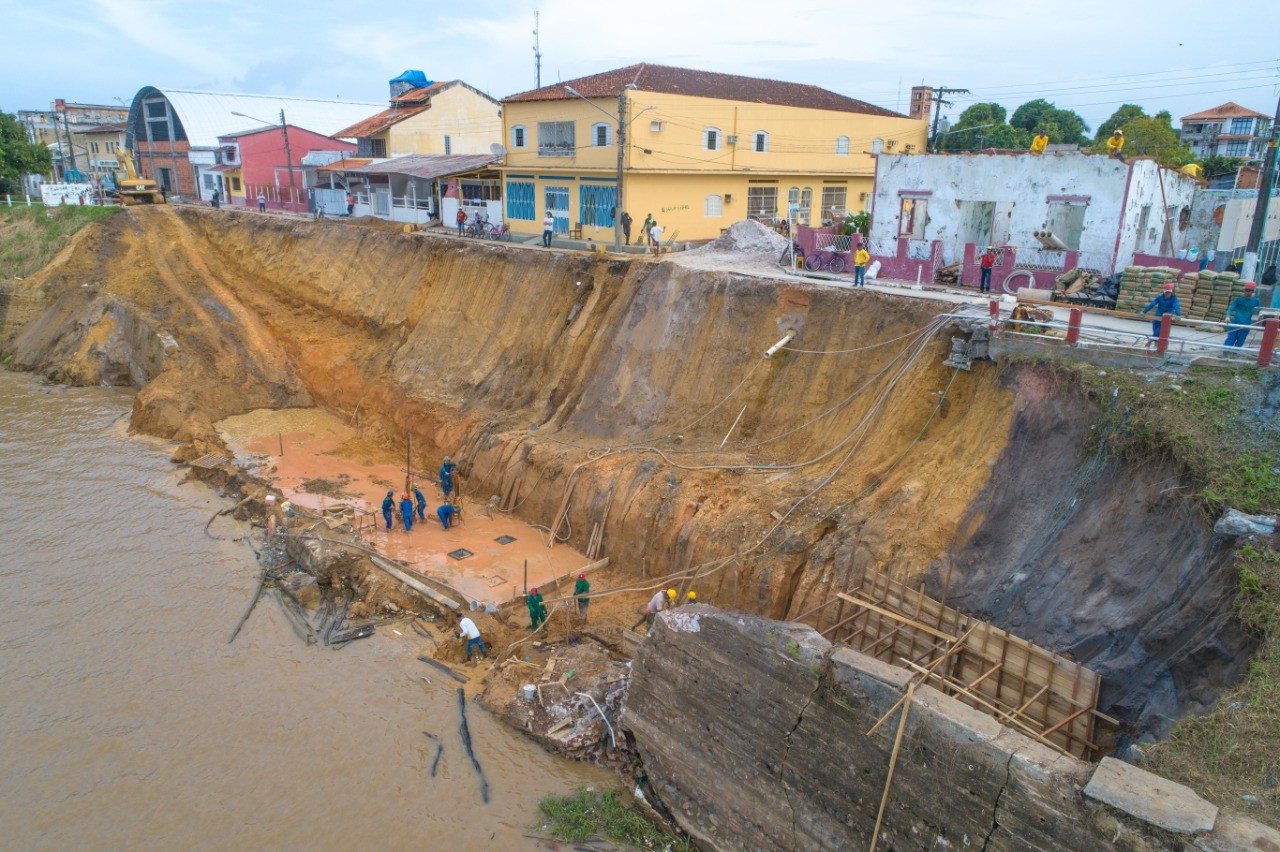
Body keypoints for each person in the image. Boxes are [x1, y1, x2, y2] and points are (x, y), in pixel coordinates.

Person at [1224, 281, 1261, 348]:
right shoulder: (1239, 299)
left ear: (1253, 292)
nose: (1246, 292)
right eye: (1246, 290)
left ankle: (1235, 353)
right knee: (1230, 339)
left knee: (1240, 340)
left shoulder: (1256, 301)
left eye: (1249, 291)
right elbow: (1231, 308)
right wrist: (1227, 316)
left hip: (1246, 324)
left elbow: (1259, 311)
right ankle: (1225, 352)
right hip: (1235, 323)